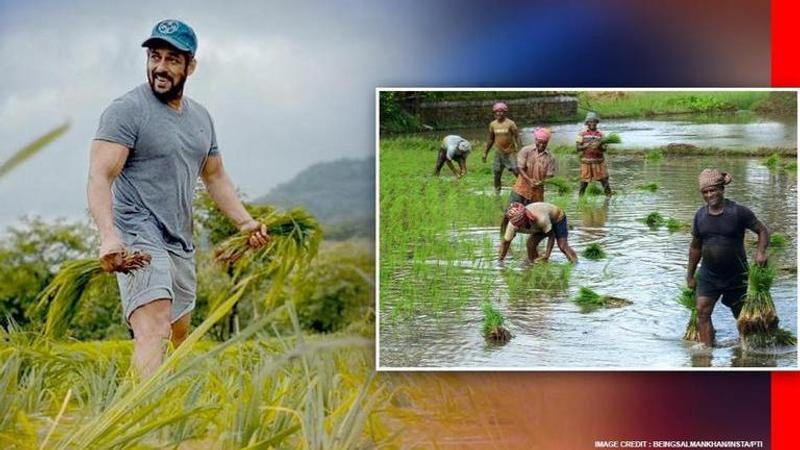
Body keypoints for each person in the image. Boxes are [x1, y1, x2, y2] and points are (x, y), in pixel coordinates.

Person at [87, 19, 270, 378]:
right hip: (138, 234)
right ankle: (140, 421)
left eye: (172, 59)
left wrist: (246, 224)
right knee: (154, 328)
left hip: (179, 241)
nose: (160, 66)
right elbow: (100, 176)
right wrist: (109, 235)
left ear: (191, 66)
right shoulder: (126, 110)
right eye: (155, 56)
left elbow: (214, 176)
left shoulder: (201, 119)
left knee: (178, 333)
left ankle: (170, 407)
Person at [686, 169, 769, 347]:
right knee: (702, 311)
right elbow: (695, 247)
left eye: (713, 190)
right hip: (709, 274)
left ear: (722, 190)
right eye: (705, 192)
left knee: (741, 313)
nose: (709, 195)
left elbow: (762, 231)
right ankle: (707, 354)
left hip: (736, 274)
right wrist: (690, 276)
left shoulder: (738, 212)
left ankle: (747, 349)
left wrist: (760, 252)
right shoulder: (700, 216)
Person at [500, 127, 557, 234]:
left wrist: (542, 182)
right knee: (509, 214)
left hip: (537, 192)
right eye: (539, 142)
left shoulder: (550, 157)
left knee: (535, 218)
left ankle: (533, 242)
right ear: (535, 140)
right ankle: (503, 238)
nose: (541, 145)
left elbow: (550, 175)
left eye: (544, 143)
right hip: (521, 189)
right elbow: (520, 168)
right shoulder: (526, 151)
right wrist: (529, 180)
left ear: (547, 143)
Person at [499, 202, 578, 264]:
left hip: (557, 217)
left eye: (522, 223)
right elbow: (506, 243)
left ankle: (575, 263)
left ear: (526, 218)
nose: (521, 226)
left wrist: (547, 255)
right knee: (530, 244)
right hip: (540, 225)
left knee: (562, 246)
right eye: (519, 225)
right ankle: (535, 264)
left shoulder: (541, 219)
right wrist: (500, 261)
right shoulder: (512, 225)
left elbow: (551, 235)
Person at [482, 102, 521, 193]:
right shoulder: (493, 124)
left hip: (510, 152)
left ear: (505, 112)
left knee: (516, 171)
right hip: (499, 154)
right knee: (497, 174)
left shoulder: (511, 123)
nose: (499, 113)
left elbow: (517, 137)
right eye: (497, 112)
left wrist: (520, 151)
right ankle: (497, 193)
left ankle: (523, 190)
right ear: (494, 113)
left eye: (501, 111)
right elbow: (491, 139)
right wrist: (485, 153)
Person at [576, 111, 612, 196]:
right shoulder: (581, 134)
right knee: (583, 183)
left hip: (598, 162)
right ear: (587, 123)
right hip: (586, 162)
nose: (592, 123)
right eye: (590, 121)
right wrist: (586, 146)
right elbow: (577, 148)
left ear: (597, 123)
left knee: (604, 181)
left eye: (594, 121)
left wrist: (599, 146)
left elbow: (604, 149)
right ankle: (581, 200)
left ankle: (609, 199)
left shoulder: (601, 135)